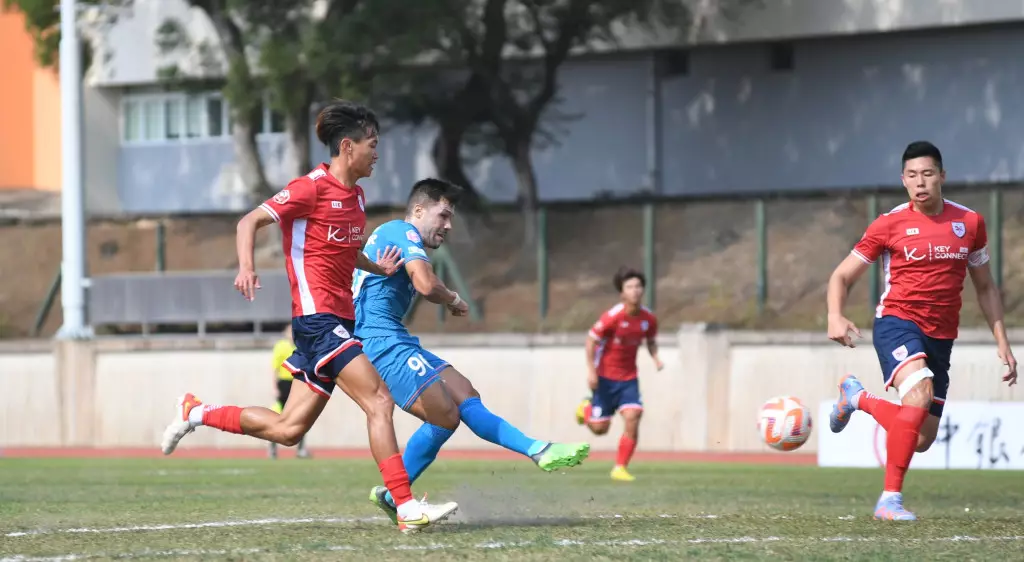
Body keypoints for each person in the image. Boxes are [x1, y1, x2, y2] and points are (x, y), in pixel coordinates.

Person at [159, 101, 457, 533]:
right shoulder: (310, 188)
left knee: (288, 429)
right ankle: (406, 506)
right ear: (348, 146)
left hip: (339, 322)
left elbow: (345, 252)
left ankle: (196, 412)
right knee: (379, 400)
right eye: (373, 145)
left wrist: (378, 268)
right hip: (317, 320)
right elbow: (248, 222)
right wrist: (247, 267)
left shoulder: (356, 197)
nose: (377, 154)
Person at [352, 178, 591, 526]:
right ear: (418, 210)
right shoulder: (401, 232)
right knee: (445, 416)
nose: (448, 225)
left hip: (394, 338)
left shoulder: (395, 236)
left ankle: (538, 449)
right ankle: (397, 498)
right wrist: (453, 298)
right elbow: (425, 284)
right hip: (381, 343)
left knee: (465, 393)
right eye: (443, 215)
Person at [827, 140, 1017, 521]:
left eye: (928, 174)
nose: (920, 182)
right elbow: (841, 276)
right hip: (897, 323)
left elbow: (984, 287)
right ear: (903, 180)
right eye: (912, 175)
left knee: (920, 438)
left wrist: (1003, 341)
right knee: (918, 395)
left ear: (942, 176)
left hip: (941, 336)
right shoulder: (888, 224)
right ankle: (889, 501)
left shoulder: (970, 224)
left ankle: (857, 397)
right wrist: (835, 315)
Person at [575, 267, 663, 482]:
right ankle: (586, 409)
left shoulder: (648, 318)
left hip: (629, 379)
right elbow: (591, 341)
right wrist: (591, 371)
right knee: (599, 429)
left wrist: (655, 358)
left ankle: (620, 467)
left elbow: (650, 340)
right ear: (622, 292)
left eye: (638, 286)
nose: (635, 290)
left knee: (633, 416)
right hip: (605, 378)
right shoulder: (612, 317)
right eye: (630, 287)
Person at [267, 325, 311, 459]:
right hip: (284, 383)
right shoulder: (280, 346)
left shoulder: (301, 345)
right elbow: (274, 368)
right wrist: (275, 387)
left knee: (301, 415)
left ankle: (301, 449)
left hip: (298, 383)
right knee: (278, 416)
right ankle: (273, 448)